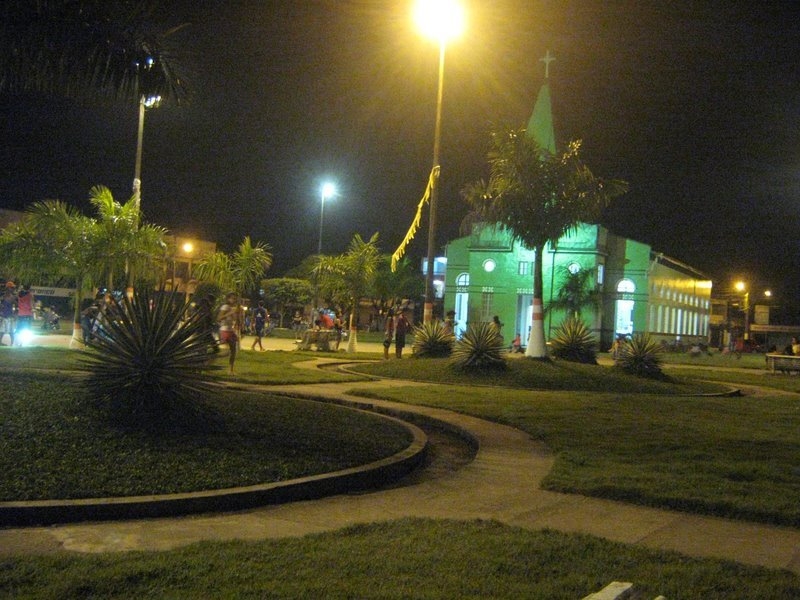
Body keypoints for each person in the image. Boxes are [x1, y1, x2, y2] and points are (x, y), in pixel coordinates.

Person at [217, 292, 242, 374]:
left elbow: (236, 320)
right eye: (233, 298)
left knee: (233, 350)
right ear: (228, 299)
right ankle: (211, 360)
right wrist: (229, 313)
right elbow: (219, 318)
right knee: (228, 351)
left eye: (235, 299)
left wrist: (237, 314)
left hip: (230, 330)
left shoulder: (232, 308)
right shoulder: (225, 307)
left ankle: (231, 370)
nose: (234, 300)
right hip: (224, 330)